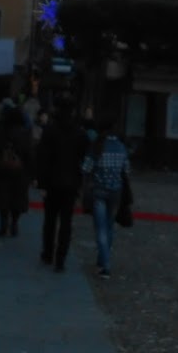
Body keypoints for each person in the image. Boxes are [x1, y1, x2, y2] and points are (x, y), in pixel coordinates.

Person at [36, 97, 85, 271]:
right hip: (71, 182)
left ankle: (48, 252)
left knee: (50, 220)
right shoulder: (79, 132)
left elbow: (42, 158)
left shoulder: (50, 130)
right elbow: (82, 159)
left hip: (52, 181)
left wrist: (41, 183)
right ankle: (61, 258)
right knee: (66, 222)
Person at [81, 115, 130, 279]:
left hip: (99, 190)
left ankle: (105, 264)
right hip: (116, 191)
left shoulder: (97, 146)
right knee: (109, 227)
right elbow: (126, 170)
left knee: (100, 228)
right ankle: (102, 260)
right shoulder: (121, 147)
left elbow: (86, 168)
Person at [0, 104, 33, 237]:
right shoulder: (25, 133)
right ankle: (14, 223)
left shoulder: (0, 131)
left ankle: (3, 223)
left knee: (3, 197)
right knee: (17, 198)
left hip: (2, 169)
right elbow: (29, 153)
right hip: (20, 171)